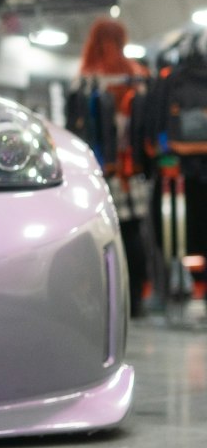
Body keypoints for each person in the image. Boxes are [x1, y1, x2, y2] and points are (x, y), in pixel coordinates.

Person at [76, 16, 151, 317]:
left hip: (100, 174)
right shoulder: (138, 77)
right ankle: (137, 301)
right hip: (133, 173)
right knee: (134, 234)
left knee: (100, 238)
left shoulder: (85, 80)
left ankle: (107, 303)